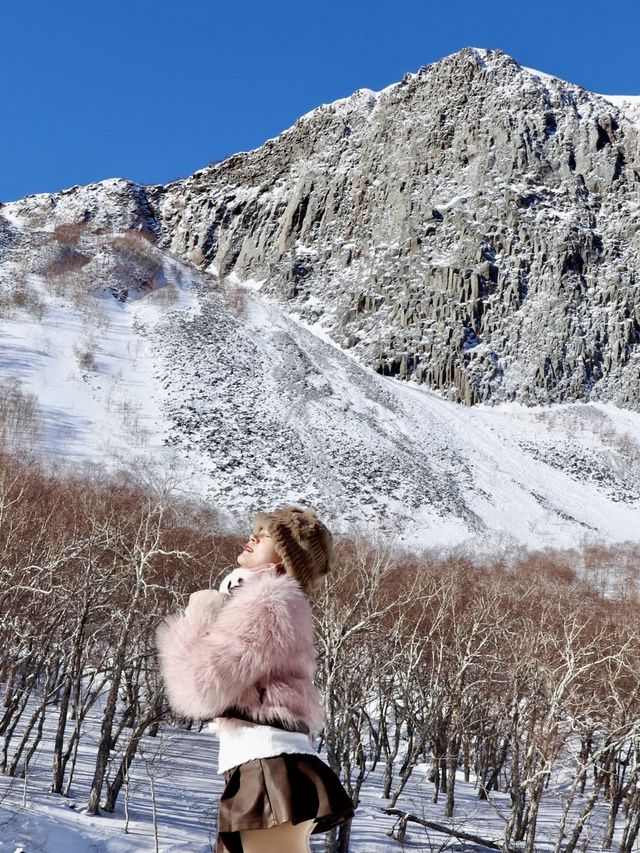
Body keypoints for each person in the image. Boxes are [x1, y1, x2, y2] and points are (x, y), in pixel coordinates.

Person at [156, 506, 355, 853]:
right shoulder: (279, 601)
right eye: (256, 530)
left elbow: (199, 688)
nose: (253, 536)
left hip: (267, 767)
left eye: (266, 536)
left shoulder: (267, 599)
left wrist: (197, 619)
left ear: (286, 557)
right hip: (273, 762)